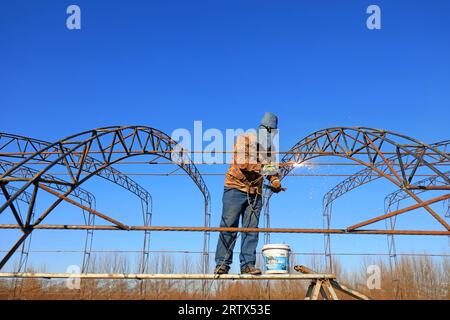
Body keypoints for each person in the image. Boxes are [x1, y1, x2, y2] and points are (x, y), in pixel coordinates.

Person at [214, 112, 283, 275]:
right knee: (229, 227)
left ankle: (247, 265)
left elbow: (271, 168)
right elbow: (243, 163)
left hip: (255, 192)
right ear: (262, 129)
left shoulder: (270, 149)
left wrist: (274, 180)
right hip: (234, 188)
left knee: (251, 229)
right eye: (270, 131)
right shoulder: (244, 139)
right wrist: (264, 169)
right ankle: (222, 264)